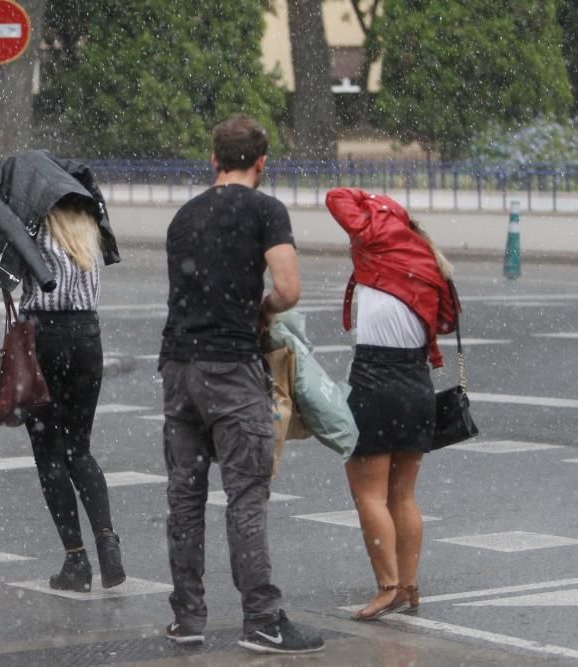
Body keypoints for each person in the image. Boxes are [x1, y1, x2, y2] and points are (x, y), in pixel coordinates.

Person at [159, 114, 325, 655]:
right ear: (261, 164)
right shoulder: (265, 210)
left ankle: (188, 618)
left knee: (184, 498)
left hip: (180, 367)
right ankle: (261, 620)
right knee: (246, 498)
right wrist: (260, 312)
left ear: (213, 161)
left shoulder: (184, 216)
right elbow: (288, 288)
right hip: (232, 368)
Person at [0, 150, 126, 593]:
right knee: (81, 448)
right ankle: (108, 540)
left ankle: (76, 561)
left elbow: (7, 274)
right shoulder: (90, 223)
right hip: (88, 338)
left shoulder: (36, 228)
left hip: (47, 338)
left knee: (49, 453)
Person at [325, 187, 458, 621]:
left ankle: (386, 587)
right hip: (418, 384)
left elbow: (336, 197)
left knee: (369, 495)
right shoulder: (426, 258)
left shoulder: (376, 246)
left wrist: (371, 197)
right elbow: (447, 320)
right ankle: (408, 584)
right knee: (403, 495)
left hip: (375, 381)